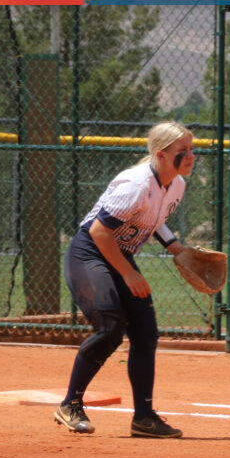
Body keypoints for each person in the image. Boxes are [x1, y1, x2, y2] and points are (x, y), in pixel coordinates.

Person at [53, 121, 197, 438]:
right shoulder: (135, 183)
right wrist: (128, 273)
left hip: (118, 255)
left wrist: (175, 247)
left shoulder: (176, 185)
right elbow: (99, 231)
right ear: (160, 154)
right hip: (89, 253)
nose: (190, 156)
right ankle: (70, 404)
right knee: (110, 328)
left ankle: (144, 418)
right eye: (182, 151)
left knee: (146, 333)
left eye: (192, 150)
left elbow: (153, 219)